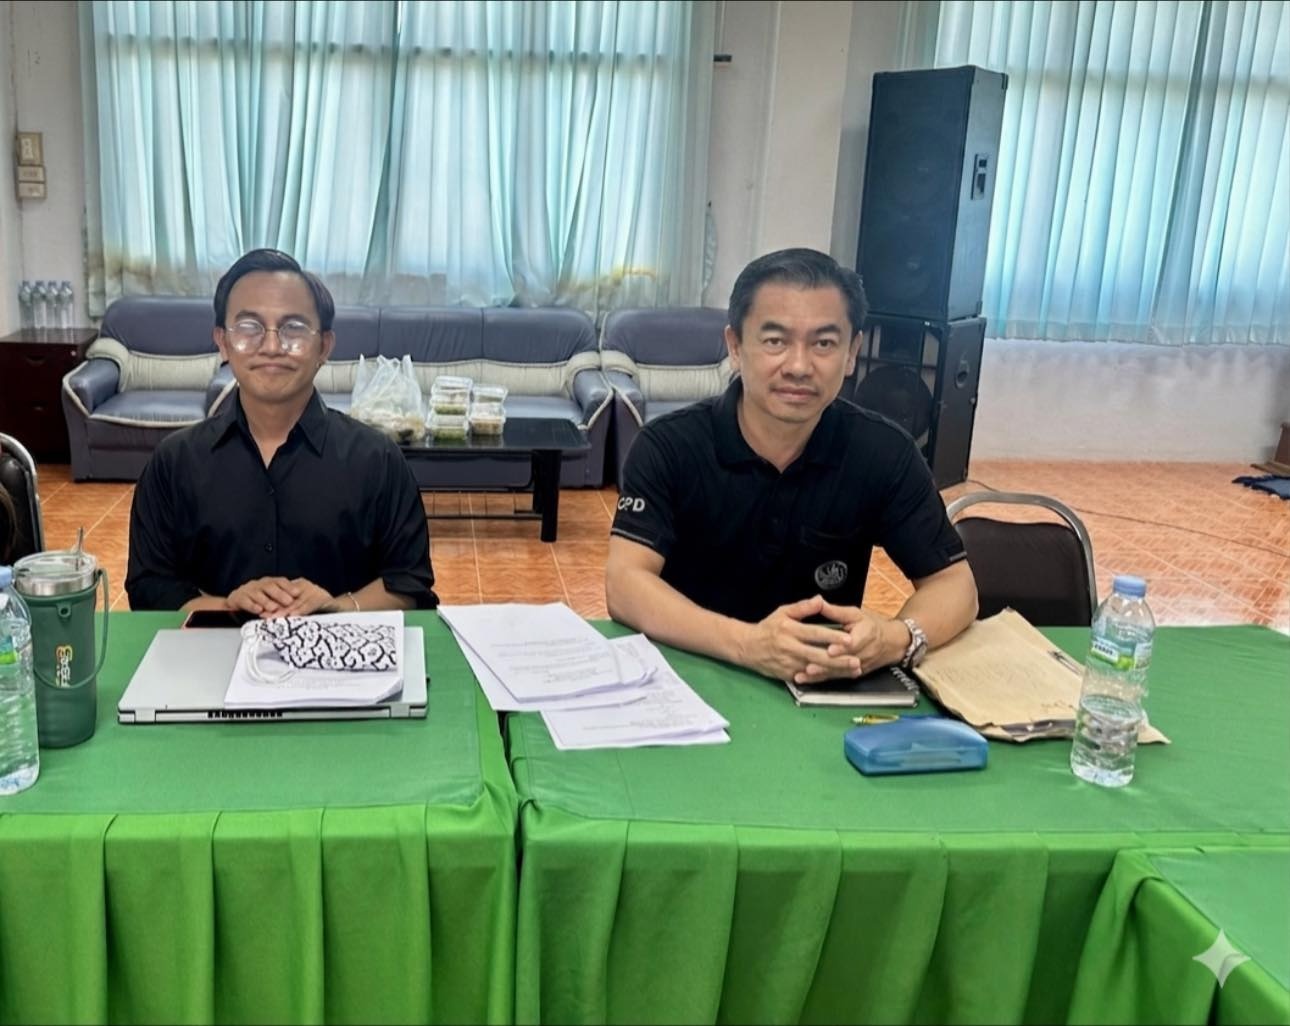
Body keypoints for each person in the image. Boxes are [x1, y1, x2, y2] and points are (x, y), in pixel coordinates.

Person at [606, 248, 977, 685]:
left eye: (824, 343)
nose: (799, 367)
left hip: (818, 686)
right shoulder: (668, 446)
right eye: (775, 341)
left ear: (852, 352)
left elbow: (955, 585)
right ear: (735, 347)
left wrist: (897, 638)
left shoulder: (885, 452)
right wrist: (748, 645)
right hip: (688, 676)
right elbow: (625, 583)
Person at [126, 248, 437, 616]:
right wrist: (228, 607)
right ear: (223, 342)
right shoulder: (174, 463)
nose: (272, 347)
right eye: (249, 327)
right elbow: (150, 587)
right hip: (213, 649)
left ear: (324, 346)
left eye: (293, 328)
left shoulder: (378, 460)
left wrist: (335, 608)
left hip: (342, 650)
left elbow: (409, 583)